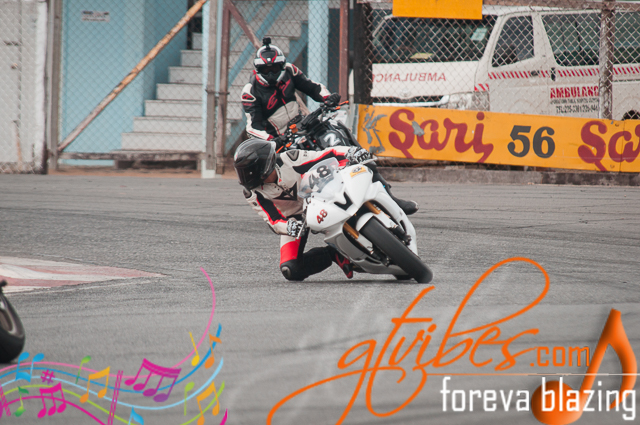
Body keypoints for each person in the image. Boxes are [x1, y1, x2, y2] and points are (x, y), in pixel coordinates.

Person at [233, 139, 419, 282]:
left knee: (365, 162)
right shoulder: (252, 193)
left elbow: (324, 155)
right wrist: (288, 227)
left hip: (319, 194)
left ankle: (393, 200)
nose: (244, 178)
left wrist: (351, 152)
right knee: (290, 269)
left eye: (246, 171)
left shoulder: (290, 159)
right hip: (296, 219)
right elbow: (272, 219)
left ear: (263, 165)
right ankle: (334, 254)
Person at [241, 37, 341, 142]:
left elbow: (312, 88)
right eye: (266, 69)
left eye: (274, 68)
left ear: (282, 66)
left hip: (301, 125)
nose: (270, 74)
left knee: (333, 131)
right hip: (280, 140)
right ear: (258, 69)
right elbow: (253, 126)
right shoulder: (250, 91)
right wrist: (272, 140)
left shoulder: (289, 70)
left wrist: (328, 97)